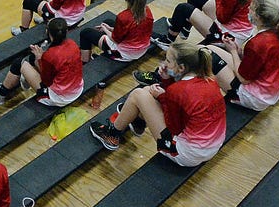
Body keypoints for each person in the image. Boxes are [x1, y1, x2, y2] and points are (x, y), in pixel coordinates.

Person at [90, 42, 226, 166]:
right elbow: (181, 104)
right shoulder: (209, 80)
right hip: (211, 146)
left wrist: (161, 97)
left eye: (168, 60)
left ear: (181, 67)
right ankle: (137, 120)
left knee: (138, 94)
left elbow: (174, 127)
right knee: (147, 91)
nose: (164, 63)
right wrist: (166, 81)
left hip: (185, 153)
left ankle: (111, 135)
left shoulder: (178, 90)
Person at [205, 0, 279, 111]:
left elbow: (244, 79)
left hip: (253, 98)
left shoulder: (258, 43)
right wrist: (239, 52)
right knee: (209, 48)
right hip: (269, 92)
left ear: (259, 17)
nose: (248, 9)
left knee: (207, 56)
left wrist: (233, 51)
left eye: (252, 8)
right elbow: (259, 63)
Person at [0, 17, 83, 106]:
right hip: (76, 89)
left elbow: (47, 80)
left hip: (58, 98)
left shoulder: (51, 55)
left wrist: (40, 58)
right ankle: (26, 79)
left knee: (18, 63)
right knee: (32, 58)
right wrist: (41, 58)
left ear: (49, 33)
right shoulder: (72, 44)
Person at [78, 0, 153, 64]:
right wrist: (110, 28)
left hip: (124, 54)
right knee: (108, 21)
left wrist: (105, 29)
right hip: (141, 50)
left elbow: (115, 40)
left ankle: (85, 61)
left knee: (85, 33)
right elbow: (133, 30)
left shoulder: (123, 17)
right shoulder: (147, 11)